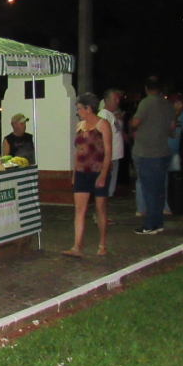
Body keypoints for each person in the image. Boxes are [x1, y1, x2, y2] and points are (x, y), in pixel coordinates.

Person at [62, 94, 112, 258]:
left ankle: (102, 244)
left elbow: (108, 151)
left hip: (98, 171)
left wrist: (103, 174)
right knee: (79, 209)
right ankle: (77, 246)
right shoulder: (79, 126)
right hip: (83, 172)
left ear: (88, 109)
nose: (78, 112)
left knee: (100, 208)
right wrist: (75, 173)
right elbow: (78, 151)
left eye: (79, 108)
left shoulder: (102, 124)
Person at [130, 76, 176, 235]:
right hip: (163, 151)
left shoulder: (146, 103)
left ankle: (149, 224)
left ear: (146, 88)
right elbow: (172, 126)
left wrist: (132, 124)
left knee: (149, 189)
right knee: (160, 189)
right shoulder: (168, 104)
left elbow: (135, 123)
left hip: (147, 152)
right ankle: (158, 222)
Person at [97, 90, 125, 198]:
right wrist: (107, 159)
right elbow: (101, 138)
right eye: (115, 99)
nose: (117, 101)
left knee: (111, 186)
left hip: (114, 156)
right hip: (110, 157)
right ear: (107, 101)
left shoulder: (111, 115)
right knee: (107, 186)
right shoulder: (104, 115)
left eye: (118, 99)